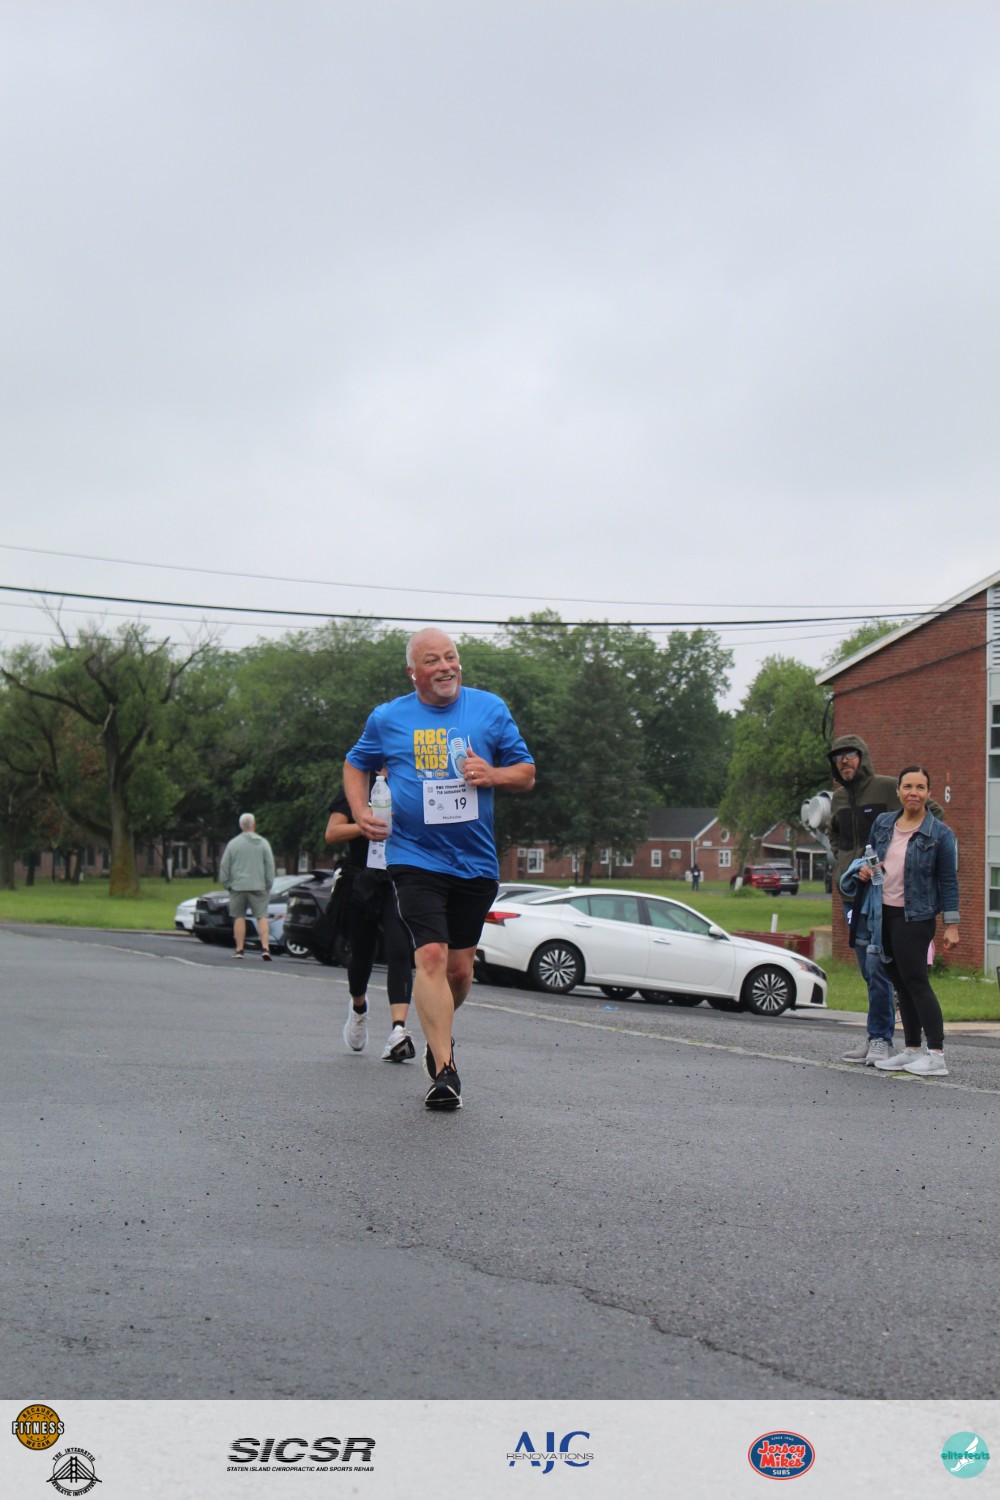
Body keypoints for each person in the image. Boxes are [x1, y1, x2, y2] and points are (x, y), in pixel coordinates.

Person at [344, 628, 535, 1111]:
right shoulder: (388, 718)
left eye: (451, 657)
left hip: (474, 861)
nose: (446, 666)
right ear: (413, 672)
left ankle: (437, 1033)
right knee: (429, 954)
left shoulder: (489, 708)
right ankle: (445, 1070)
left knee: (459, 969)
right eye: (433, 660)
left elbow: (526, 773)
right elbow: (355, 763)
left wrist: (493, 774)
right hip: (414, 857)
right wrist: (361, 811)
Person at [827, 735, 941, 1067]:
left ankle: (882, 1039)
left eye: (850, 754)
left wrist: (909, 858)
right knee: (867, 968)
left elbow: (934, 813)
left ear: (862, 756)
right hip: (852, 896)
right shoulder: (837, 799)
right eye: (838, 757)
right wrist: (844, 861)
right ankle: (876, 1034)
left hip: (881, 896)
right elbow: (834, 833)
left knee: (879, 968)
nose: (844, 761)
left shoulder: (888, 788)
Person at [850, 766, 959, 1076]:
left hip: (916, 918)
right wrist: (865, 870)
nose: (914, 792)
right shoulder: (883, 824)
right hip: (883, 913)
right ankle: (911, 1049)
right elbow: (870, 859)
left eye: (920, 787)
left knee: (916, 982)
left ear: (928, 793)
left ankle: (936, 1054)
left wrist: (952, 925)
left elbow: (949, 881)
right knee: (899, 983)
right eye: (908, 786)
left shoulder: (940, 834)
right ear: (898, 791)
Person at [326, 774, 415, 1062]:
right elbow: (332, 833)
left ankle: (398, 1031)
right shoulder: (358, 787)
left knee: (400, 949)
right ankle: (358, 1008)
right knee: (361, 955)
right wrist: (364, 825)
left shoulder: (409, 782)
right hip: (361, 880)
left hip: (398, 879)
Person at [219, 813, 276, 960]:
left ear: (240, 826)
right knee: (261, 916)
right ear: (254, 825)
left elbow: (225, 866)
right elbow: (269, 865)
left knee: (239, 916)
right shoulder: (263, 843)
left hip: (238, 886)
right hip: (259, 886)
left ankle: (239, 949)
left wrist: (227, 884)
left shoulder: (233, 844)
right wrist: (268, 884)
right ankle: (265, 948)